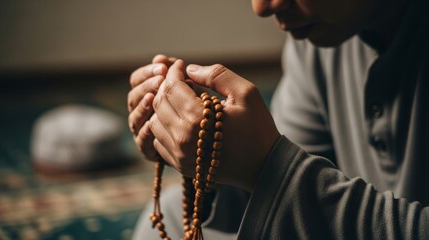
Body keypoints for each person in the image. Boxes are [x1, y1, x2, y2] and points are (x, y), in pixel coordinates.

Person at [128, 0, 429, 238]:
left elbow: (286, 178)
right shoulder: (316, 41)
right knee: (169, 214)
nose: (261, 7)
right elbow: (282, 185)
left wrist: (268, 167)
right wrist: (209, 153)